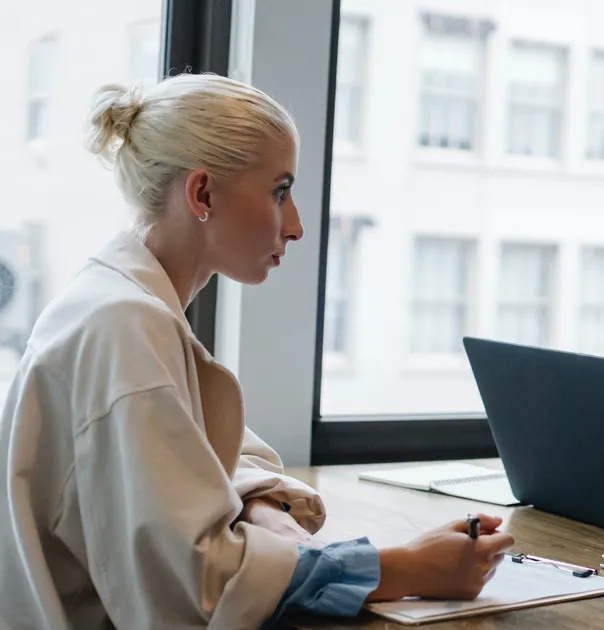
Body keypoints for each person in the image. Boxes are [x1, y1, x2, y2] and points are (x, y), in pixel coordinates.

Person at [0, 73, 515, 629]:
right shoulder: (124, 326)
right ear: (202, 193)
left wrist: (262, 507)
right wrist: (407, 570)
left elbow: (210, 461)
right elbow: (198, 587)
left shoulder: (122, 303)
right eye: (279, 190)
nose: (294, 226)